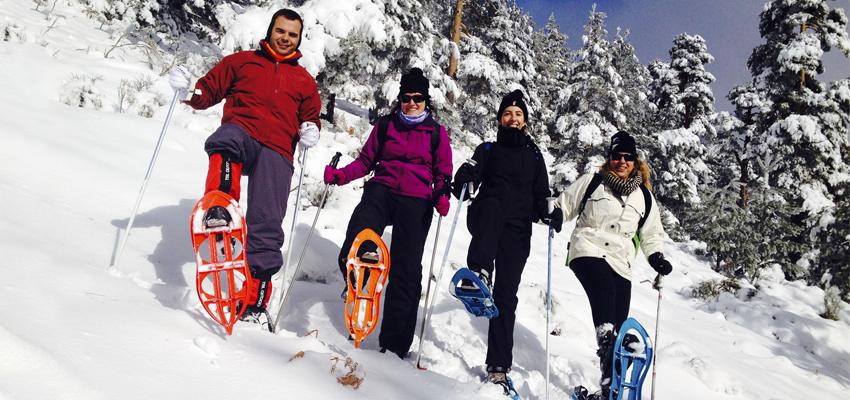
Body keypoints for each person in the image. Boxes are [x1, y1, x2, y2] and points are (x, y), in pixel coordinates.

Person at [168, 9, 322, 322]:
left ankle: (254, 303)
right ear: (270, 30)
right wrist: (189, 92)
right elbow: (207, 91)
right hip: (243, 132)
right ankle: (221, 206)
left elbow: (311, 116)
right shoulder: (241, 63)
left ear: (298, 39)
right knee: (227, 137)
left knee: (267, 222)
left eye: (292, 34)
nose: (285, 38)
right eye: (281, 31)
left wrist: (311, 129)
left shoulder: (304, 81)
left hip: (277, 150)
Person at [324, 67, 453, 358]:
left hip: (416, 199)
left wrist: (441, 194)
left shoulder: (436, 133)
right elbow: (366, 161)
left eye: (417, 98)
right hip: (383, 188)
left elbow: (444, 173)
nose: (411, 103)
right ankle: (359, 270)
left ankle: (394, 345)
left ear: (426, 100)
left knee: (407, 271)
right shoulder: (386, 125)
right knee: (364, 223)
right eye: (406, 97)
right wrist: (341, 176)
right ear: (400, 99)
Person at [450, 90, 559, 388]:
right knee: (495, 204)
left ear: (524, 121)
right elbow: (472, 174)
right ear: (500, 119)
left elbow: (542, 197)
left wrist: (550, 212)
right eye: (508, 114)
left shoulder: (535, 156)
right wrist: (465, 177)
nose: (513, 118)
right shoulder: (488, 149)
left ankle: (498, 365)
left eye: (518, 114)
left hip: (517, 229)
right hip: (487, 217)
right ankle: (480, 272)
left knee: (506, 297)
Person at [554, 131, 672, 400]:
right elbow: (566, 203)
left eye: (627, 157)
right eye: (616, 156)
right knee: (604, 296)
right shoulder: (593, 181)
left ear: (635, 161)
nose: (622, 161)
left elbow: (651, 234)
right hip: (587, 250)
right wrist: (558, 214)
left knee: (620, 326)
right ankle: (607, 339)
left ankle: (610, 389)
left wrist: (656, 257)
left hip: (621, 262)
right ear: (609, 159)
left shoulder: (644, 197)